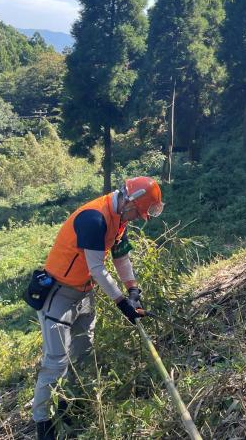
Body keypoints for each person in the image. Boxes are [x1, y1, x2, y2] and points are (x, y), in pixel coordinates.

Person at [31, 177, 164, 440]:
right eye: (137, 212)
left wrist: (133, 289)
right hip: (59, 294)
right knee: (56, 362)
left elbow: (121, 256)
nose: (137, 218)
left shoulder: (120, 219)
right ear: (129, 200)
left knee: (83, 355)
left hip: (84, 293)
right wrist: (121, 303)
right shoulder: (94, 218)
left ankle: (70, 408)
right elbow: (97, 268)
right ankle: (42, 424)